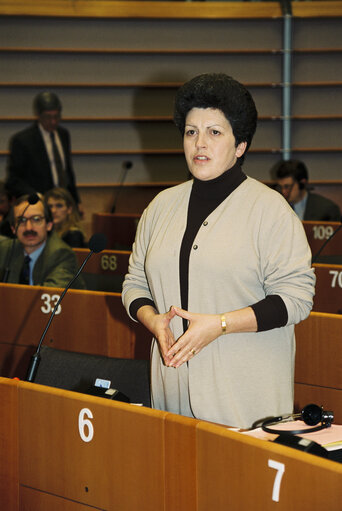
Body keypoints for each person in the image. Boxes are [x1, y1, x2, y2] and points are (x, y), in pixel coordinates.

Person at [122, 73, 315, 430]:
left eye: (215, 132)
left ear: (240, 145)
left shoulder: (270, 211)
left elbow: (297, 299)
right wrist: (152, 320)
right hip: (171, 392)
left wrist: (220, 325)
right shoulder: (161, 206)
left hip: (245, 401)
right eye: (191, 131)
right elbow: (134, 282)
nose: (200, 144)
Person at [6, 91, 82, 214]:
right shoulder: (22, 141)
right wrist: (37, 196)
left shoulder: (64, 135)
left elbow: (67, 171)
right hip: (39, 206)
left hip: (63, 205)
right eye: (48, 117)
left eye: (56, 116)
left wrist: (76, 201)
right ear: (38, 115)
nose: (53, 122)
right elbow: (13, 181)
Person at [0, 195, 85, 289]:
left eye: (36, 219)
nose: (29, 228)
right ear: (13, 228)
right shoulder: (5, 249)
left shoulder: (62, 255)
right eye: (21, 220)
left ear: (49, 225)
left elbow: (49, 296)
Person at [273, 159, 341, 221]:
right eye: (280, 187)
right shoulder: (276, 208)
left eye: (287, 187)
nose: (283, 191)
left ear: (302, 183)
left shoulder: (327, 210)